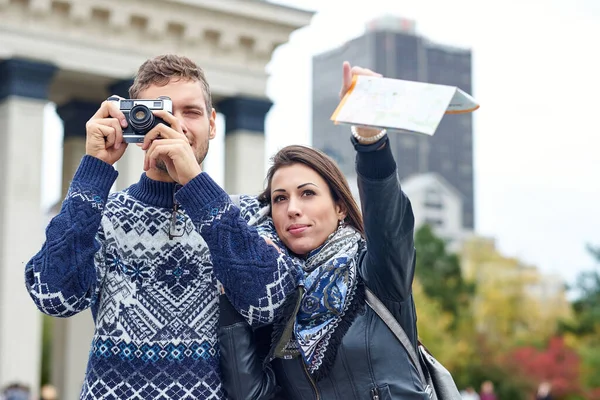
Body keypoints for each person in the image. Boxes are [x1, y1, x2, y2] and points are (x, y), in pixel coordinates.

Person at [24, 54, 296, 400]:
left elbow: (270, 303)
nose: (174, 125)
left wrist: (196, 186)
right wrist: (93, 171)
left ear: (212, 123)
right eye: (159, 112)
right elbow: (53, 297)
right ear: (133, 125)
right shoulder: (102, 212)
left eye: (191, 112)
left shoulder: (249, 213)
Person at [155, 62, 428, 399]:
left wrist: (370, 139)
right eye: (280, 198)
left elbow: (388, 221)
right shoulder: (273, 294)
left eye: (308, 193)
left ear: (340, 207)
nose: (293, 208)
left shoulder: (376, 272)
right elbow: (251, 393)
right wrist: (231, 285)